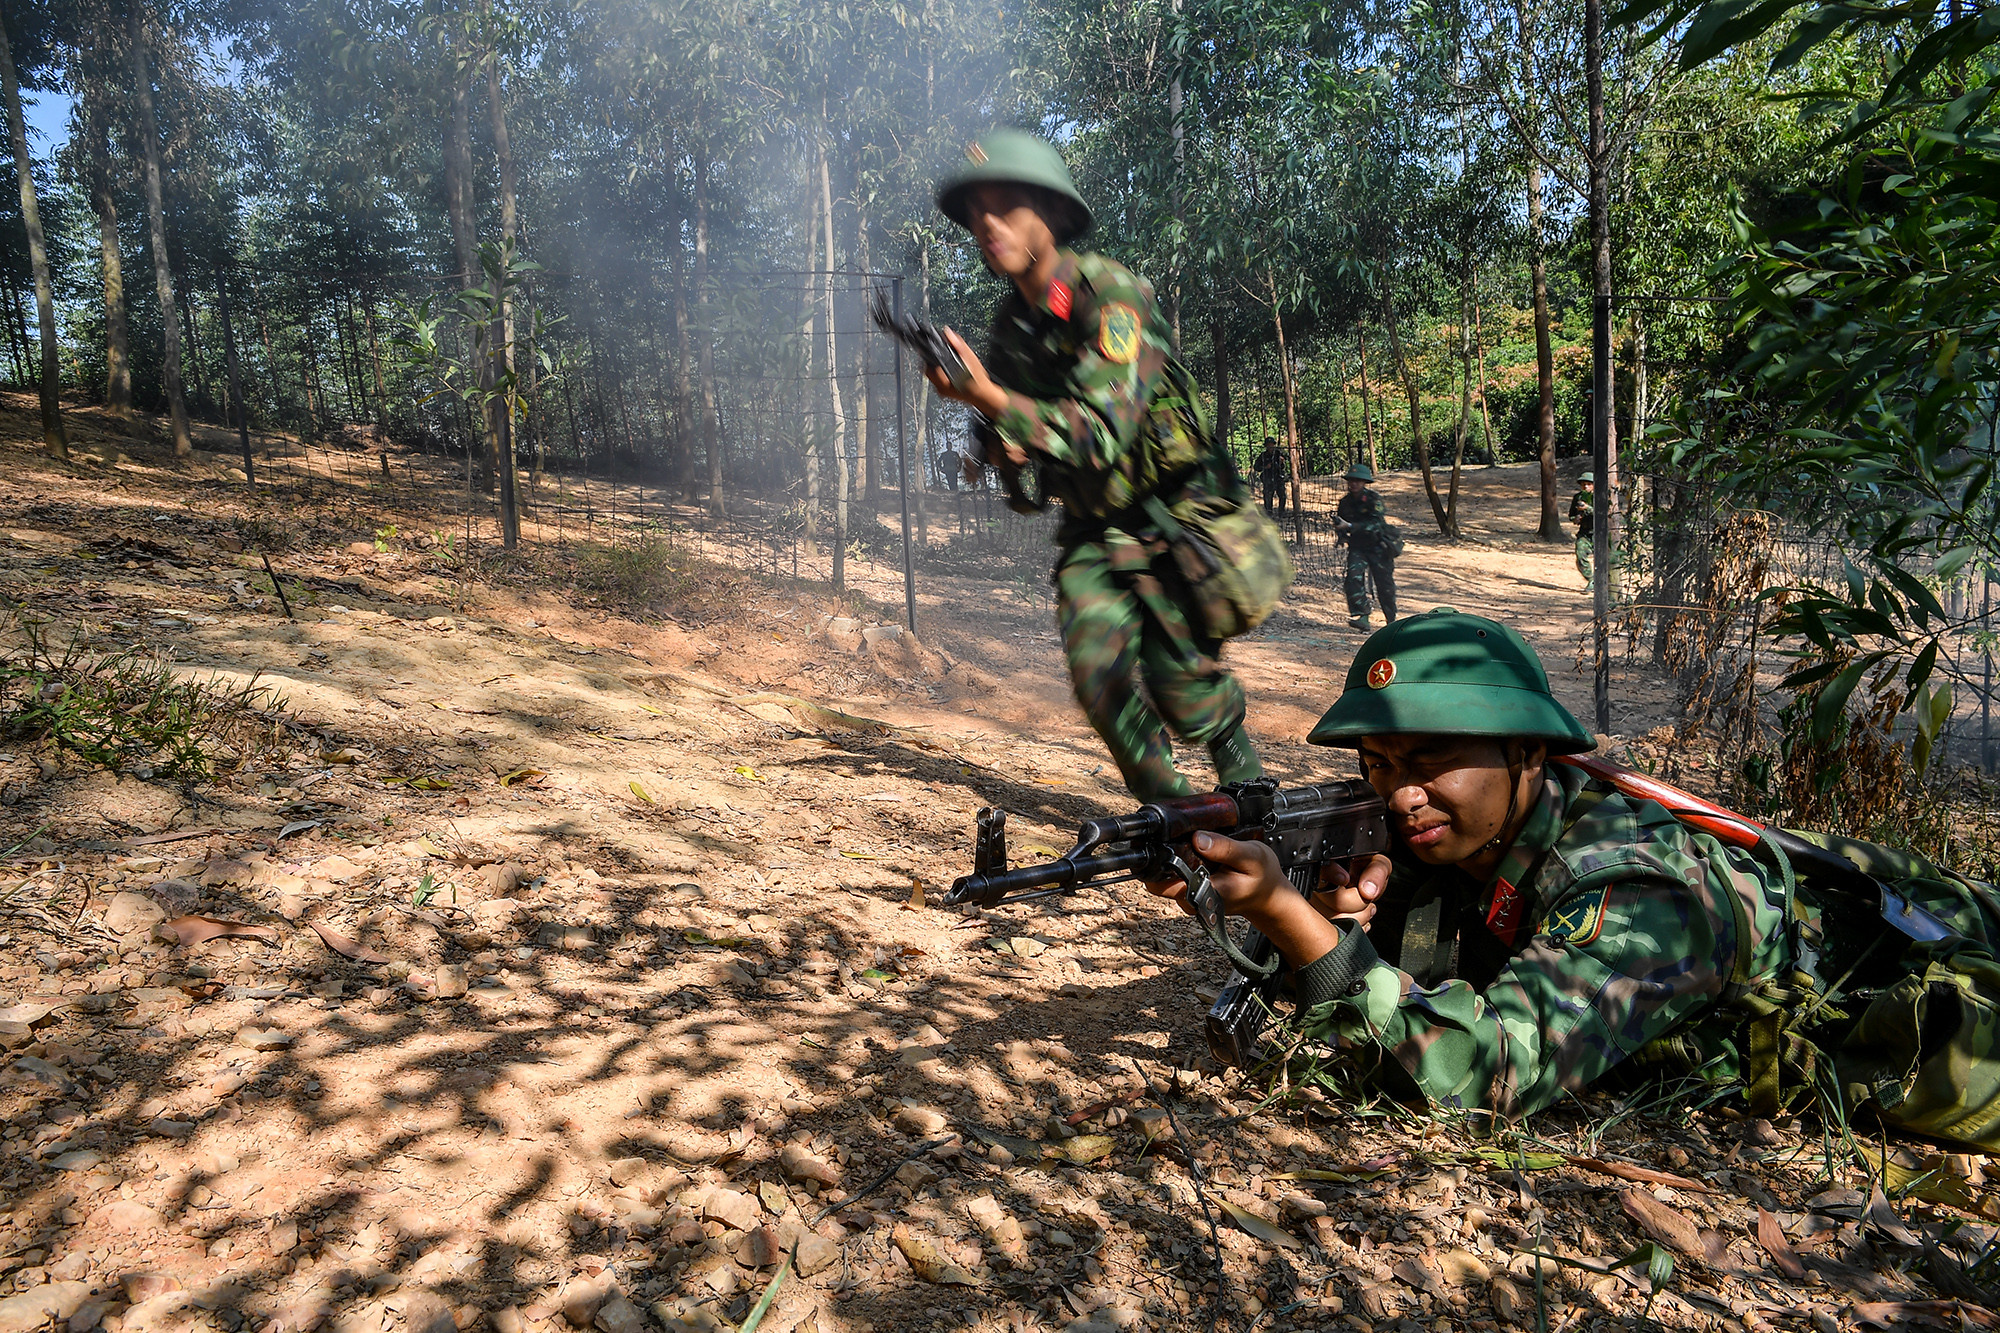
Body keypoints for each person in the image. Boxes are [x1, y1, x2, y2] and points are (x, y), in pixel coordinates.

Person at [1147, 607, 2000, 1145]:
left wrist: (1300, 925)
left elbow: (1483, 1077)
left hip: (1936, 993)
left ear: (1528, 753)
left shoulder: (1633, 886)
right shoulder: (1460, 839)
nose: (1400, 792)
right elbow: (1396, 1002)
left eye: (1432, 758)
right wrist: (1265, 910)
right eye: (1377, 762)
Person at [923, 129, 1264, 801]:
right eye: (975, 214)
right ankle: (1178, 820)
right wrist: (994, 449)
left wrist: (990, 396)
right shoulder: (1011, 325)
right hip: (1091, 526)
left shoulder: (1112, 296)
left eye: (1007, 206)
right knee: (1097, 676)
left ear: (1050, 213)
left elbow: (1104, 429)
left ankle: (1250, 787)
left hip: (1172, 514)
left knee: (1184, 690)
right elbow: (1022, 451)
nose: (988, 224)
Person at [1335, 463, 1396, 631]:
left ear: (1364, 483)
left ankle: (1391, 622)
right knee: (1353, 579)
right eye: (1351, 480)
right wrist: (1341, 535)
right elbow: (1340, 522)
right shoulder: (1345, 502)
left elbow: (1376, 524)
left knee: (1385, 585)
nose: (1353, 484)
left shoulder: (1373, 499)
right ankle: (1362, 616)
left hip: (1378, 545)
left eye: (1358, 481)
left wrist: (1351, 526)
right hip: (1358, 546)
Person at [1569, 470, 1595, 583]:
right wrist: (1575, 519)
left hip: (1600, 532)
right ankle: (1591, 580)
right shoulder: (1578, 497)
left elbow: (1604, 514)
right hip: (1584, 532)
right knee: (1580, 556)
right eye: (1583, 484)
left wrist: (1588, 508)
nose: (1586, 486)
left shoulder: (1600, 496)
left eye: (1589, 484)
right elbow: (1571, 515)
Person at [1256, 437, 1287, 515]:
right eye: (1268, 445)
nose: (1270, 447)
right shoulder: (1263, 456)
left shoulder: (1278, 454)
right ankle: (1269, 511)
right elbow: (1256, 467)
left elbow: (1283, 467)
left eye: (1272, 445)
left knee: (1282, 495)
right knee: (1268, 496)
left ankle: (1281, 512)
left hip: (1278, 478)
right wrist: (1265, 467)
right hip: (1268, 478)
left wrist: (1281, 462)